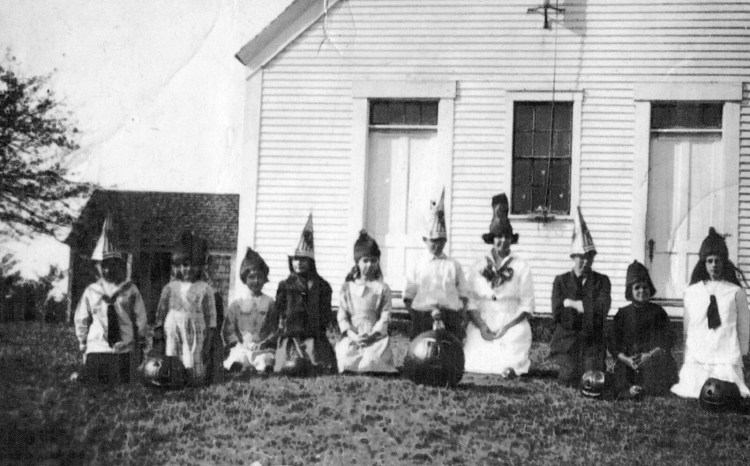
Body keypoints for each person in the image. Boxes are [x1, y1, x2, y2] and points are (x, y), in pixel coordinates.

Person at [671, 227, 750, 399]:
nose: (714, 265)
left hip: (726, 354)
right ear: (704, 263)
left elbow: (744, 327)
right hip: (700, 354)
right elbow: (688, 328)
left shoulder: (736, 292)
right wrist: (689, 355)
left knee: (727, 391)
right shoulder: (693, 292)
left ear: (724, 262)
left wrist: (742, 355)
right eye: (710, 261)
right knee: (693, 389)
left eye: (718, 261)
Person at [463, 193, 535, 378]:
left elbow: (527, 305)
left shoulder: (521, 266)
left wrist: (506, 327)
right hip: (484, 321)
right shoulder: (478, 265)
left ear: (512, 239)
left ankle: (511, 364)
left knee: (513, 344)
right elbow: (470, 301)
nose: (502, 241)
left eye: (506, 237)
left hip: (510, 321)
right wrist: (481, 325)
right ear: (492, 239)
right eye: (498, 237)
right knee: (475, 360)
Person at [74, 215, 148, 385]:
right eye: (102, 265)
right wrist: (83, 344)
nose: (107, 269)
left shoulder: (129, 290)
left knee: (123, 380)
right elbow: (81, 319)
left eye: (111, 264)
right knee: (94, 380)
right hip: (97, 348)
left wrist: (141, 342)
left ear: (118, 264)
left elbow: (141, 318)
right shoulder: (91, 291)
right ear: (97, 267)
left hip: (123, 350)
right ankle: (86, 372)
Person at [264, 214, 337, 375]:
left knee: (318, 365)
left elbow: (325, 315)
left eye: (303, 259)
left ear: (311, 262)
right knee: (287, 367)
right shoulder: (285, 285)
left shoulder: (322, 286)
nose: (299, 263)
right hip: (291, 337)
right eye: (295, 259)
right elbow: (280, 312)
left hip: (313, 337)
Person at [550, 206, 611, 386]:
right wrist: (586, 308)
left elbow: (601, 311)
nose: (586, 262)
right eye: (582, 257)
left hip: (592, 341)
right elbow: (558, 315)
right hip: (567, 341)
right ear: (573, 256)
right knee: (569, 377)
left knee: (592, 378)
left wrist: (573, 304)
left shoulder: (602, 281)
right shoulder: (561, 281)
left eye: (590, 257)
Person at [403, 188, 469, 340]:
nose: (437, 245)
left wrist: (460, 315)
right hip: (423, 318)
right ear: (425, 240)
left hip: (450, 317)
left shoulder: (453, 265)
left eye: (441, 241)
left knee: (451, 353)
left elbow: (464, 294)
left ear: (445, 241)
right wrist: (416, 316)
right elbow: (408, 296)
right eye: (433, 241)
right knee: (420, 354)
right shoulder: (417, 265)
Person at [154, 231, 217, 386]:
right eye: (184, 265)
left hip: (195, 327)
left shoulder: (205, 288)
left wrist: (210, 334)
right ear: (178, 266)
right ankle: (172, 376)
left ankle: (192, 377)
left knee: (193, 352)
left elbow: (211, 315)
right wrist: (158, 327)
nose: (188, 269)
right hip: (173, 325)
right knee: (172, 350)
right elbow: (161, 311)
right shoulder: (170, 287)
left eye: (194, 265)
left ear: (201, 266)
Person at [609, 260, 678, 399]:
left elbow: (667, 340)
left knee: (660, 371)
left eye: (645, 287)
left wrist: (650, 354)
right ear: (630, 290)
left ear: (650, 289)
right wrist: (627, 359)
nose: (642, 291)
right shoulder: (622, 314)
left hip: (652, 358)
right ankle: (630, 389)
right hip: (630, 361)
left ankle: (644, 389)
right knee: (620, 373)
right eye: (637, 288)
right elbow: (613, 345)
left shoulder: (658, 312)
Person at [335, 230, 397, 374]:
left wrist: (373, 334)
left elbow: (384, 316)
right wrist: (352, 335)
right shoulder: (347, 288)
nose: (369, 265)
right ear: (357, 262)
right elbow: (342, 315)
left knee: (371, 360)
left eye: (373, 261)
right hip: (354, 336)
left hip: (374, 337)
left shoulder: (382, 289)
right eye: (365, 260)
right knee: (345, 359)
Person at [223, 247, 276, 374]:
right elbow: (229, 329)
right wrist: (236, 342)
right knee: (238, 357)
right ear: (245, 278)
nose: (256, 281)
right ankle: (240, 367)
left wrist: (265, 342)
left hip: (262, 347)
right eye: (252, 277)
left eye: (260, 277)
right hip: (241, 346)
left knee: (265, 359)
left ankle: (264, 368)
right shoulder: (237, 304)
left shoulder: (269, 302)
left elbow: (274, 328)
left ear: (264, 279)